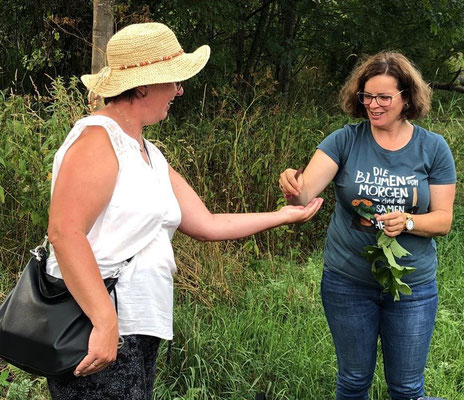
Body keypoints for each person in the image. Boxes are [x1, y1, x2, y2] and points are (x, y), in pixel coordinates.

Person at [45, 22, 323, 400]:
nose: (179, 89)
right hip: (96, 324)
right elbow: (65, 233)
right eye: (174, 80)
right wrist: (105, 321)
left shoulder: (147, 151)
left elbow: (206, 223)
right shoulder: (98, 139)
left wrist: (285, 215)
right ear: (142, 85)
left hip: (136, 326)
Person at [279, 51, 456, 400]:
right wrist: (291, 185)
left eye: (384, 97)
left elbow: (443, 220)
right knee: (354, 381)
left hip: (411, 286)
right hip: (347, 282)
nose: (374, 105)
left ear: (406, 98)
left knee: (406, 388)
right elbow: (303, 196)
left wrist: (407, 221)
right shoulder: (344, 140)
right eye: (367, 96)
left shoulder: (433, 148)